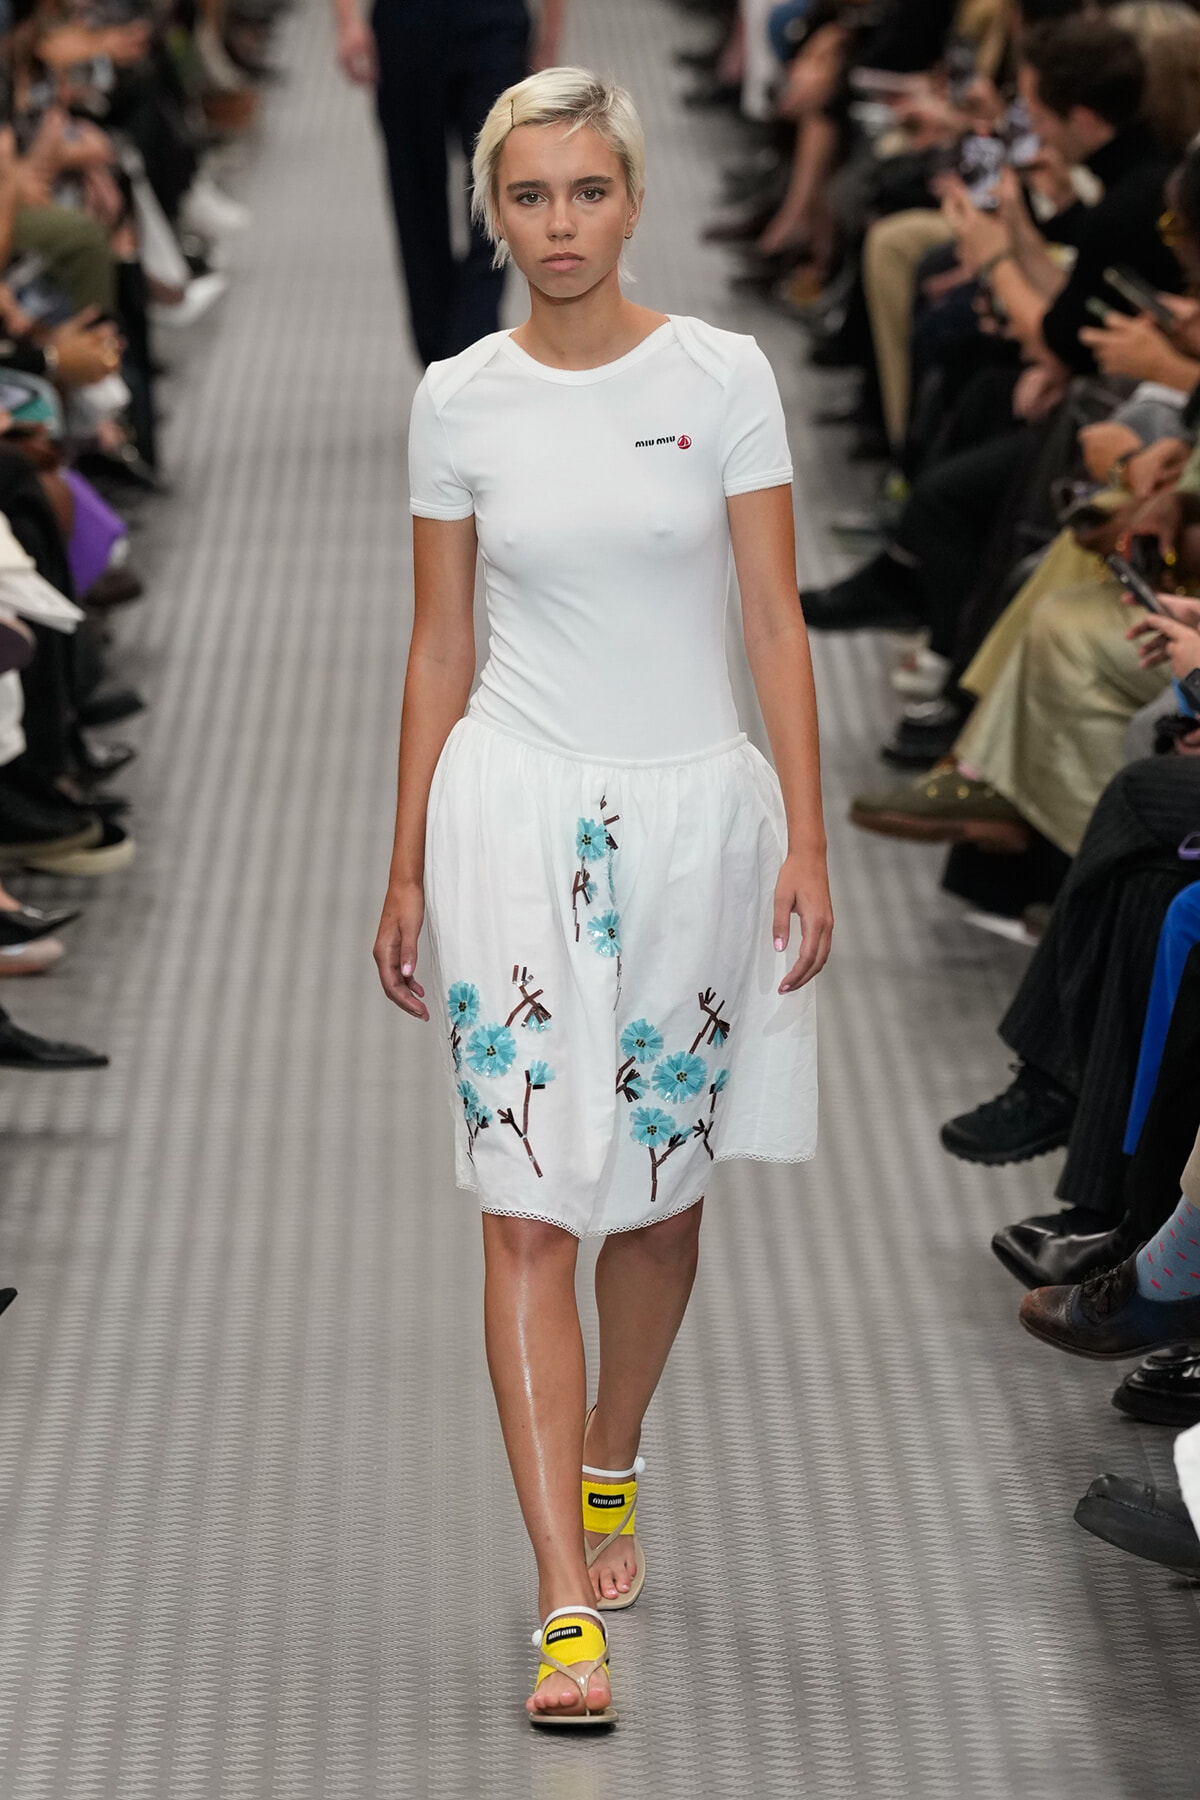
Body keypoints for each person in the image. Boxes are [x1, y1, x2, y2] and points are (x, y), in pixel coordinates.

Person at [372, 66, 831, 1727]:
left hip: (696, 814)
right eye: (526, 197)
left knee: (653, 1192)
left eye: (585, 193)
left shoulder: (723, 377)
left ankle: (614, 1446)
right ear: (493, 210)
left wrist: (809, 839)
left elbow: (775, 621)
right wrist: (408, 853)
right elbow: (439, 642)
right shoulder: (460, 399)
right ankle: (564, 1594)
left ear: (630, 201)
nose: (557, 227)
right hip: (511, 812)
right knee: (521, 1200)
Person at [333, 0, 565, 366]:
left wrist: (550, 34)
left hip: (494, 22)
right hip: (407, 20)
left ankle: (470, 348)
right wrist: (347, 21)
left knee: (500, 181)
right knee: (415, 189)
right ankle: (439, 351)